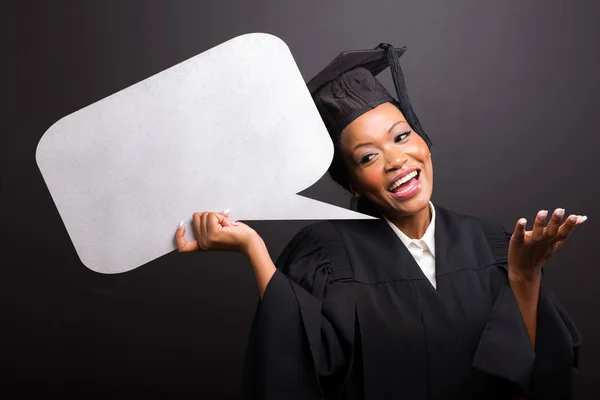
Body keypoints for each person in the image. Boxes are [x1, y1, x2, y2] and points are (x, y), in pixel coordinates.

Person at [175, 44, 584, 399]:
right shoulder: (327, 257)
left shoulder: (496, 244)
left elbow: (531, 380)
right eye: (368, 157)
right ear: (349, 181)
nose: (396, 161)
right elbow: (299, 362)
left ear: (422, 138)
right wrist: (252, 248)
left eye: (402, 136)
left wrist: (525, 276)